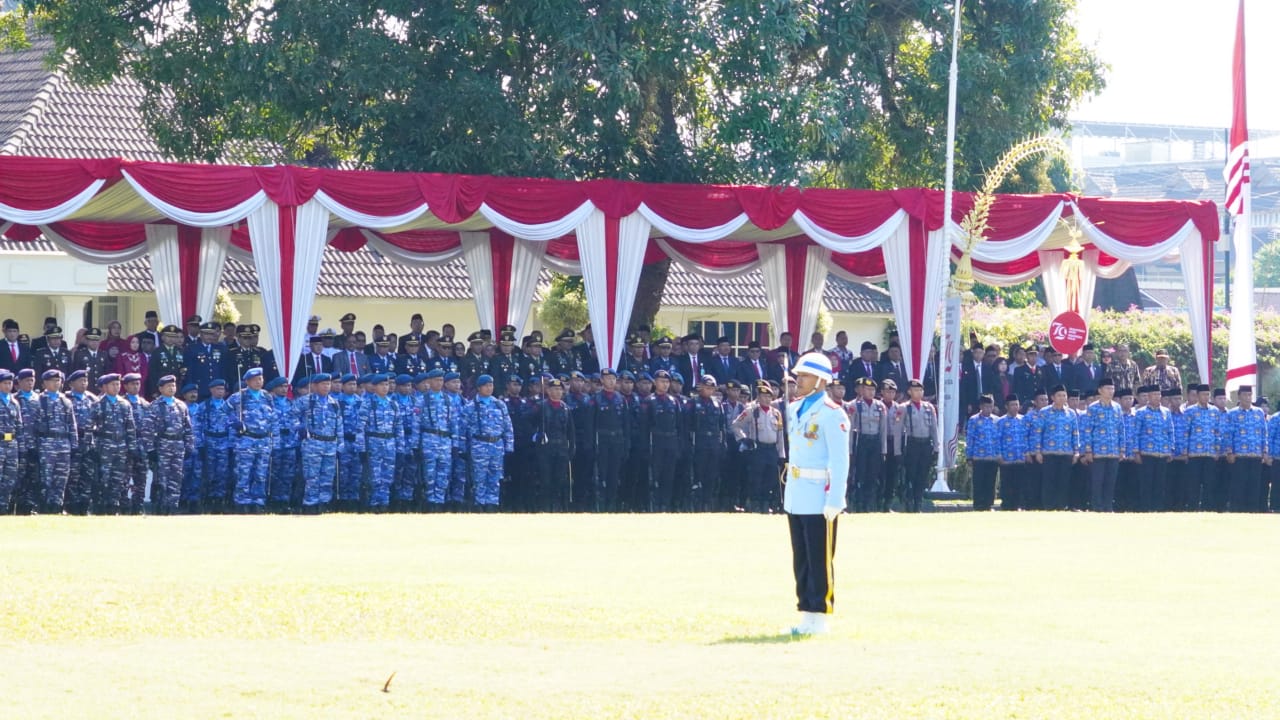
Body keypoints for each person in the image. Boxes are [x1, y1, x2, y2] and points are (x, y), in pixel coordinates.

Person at [781, 352, 849, 636]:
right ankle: (805, 613)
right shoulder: (796, 407)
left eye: (805, 375)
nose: (799, 380)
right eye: (798, 375)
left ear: (821, 380)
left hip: (820, 496)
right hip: (797, 494)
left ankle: (819, 615)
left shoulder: (832, 413)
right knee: (802, 557)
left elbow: (840, 460)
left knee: (820, 558)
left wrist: (835, 499)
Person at [462, 374, 514, 511]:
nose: (489, 388)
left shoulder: (499, 404)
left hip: (496, 445)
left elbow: (508, 427)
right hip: (479, 445)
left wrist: (509, 446)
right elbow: (463, 428)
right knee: (479, 478)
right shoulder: (471, 406)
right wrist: (462, 448)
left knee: (495, 477)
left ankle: (492, 504)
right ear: (479, 388)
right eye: (486, 385)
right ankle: (480, 504)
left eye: (491, 385)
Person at [229, 368, 277, 512]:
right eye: (256, 379)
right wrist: (235, 423)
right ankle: (242, 502)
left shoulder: (267, 397)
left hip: (263, 441)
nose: (259, 382)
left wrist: (274, 440)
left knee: (261, 474)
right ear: (247, 381)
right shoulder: (239, 397)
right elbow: (224, 412)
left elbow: (273, 418)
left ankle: (258, 502)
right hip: (246, 440)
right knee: (244, 473)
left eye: (261, 379)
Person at [146, 374, 195, 515]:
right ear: (161, 389)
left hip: (178, 445)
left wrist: (189, 446)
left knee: (176, 478)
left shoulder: (181, 405)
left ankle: (172, 506)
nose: (172, 388)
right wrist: (150, 449)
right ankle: (161, 507)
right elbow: (147, 429)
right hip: (163, 445)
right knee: (162, 479)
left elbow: (188, 428)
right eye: (168, 386)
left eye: (173, 385)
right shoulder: (155, 406)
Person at [1033, 385, 1080, 511]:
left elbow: (1075, 433)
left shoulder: (1071, 414)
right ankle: (1048, 506)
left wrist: (1076, 452)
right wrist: (1037, 451)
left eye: (1064, 395)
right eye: (1059, 395)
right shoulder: (1044, 412)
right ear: (1052, 397)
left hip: (1066, 452)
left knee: (1064, 481)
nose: (1062, 398)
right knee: (1049, 481)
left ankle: (1061, 505)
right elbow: (1038, 433)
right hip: (1049, 452)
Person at [1081, 377, 1125, 512]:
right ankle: (1097, 507)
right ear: (1100, 390)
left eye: (1112, 389)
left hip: (1113, 451)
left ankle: (1108, 506)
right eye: (1107, 388)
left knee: (1110, 482)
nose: (1110, 391)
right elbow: (1087, 430)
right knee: (1097, 482)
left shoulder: (1117, 407)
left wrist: (1122, 449)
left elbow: (1120, 428)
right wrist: (1088, 451)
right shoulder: (1093, 408)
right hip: (1097, 452)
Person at [847, 377, 888, 513]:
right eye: (867, 389)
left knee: (872, 474)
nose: (870, 392)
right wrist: (850, 450)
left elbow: (883, 429)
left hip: (874, 442)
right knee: (860, 474)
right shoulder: (854, 406)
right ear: (861, 390)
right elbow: (850, 430)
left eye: (872, 390)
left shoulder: (880, 406)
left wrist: (883, 450)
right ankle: (858, 503)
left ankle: (868, 504)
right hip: (861, 441)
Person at [898, 379, 938, 513]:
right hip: (912, 443)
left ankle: (918, 502)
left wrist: (936, 447)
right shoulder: (904, 407)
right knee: (911, 475)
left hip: (925, 444)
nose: (919, 393)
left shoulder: (929, 407)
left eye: (921, 390)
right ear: (909, 392)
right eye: (915, 390)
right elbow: (898, 430)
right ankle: (909, 502)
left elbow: (934, 429)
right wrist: (898, 450)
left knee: (922, 475)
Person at [965, 395, 1000, 510]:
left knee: (990, 483)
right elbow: (970, 439)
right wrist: (969, 457)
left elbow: (999, 439)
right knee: (979, 482)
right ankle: (978, 504)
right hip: (979, 457)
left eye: (991, 407)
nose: (988, 409)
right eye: (986, 407)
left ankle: (988, 504)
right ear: (981, 406)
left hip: (992, 457)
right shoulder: (974, 420)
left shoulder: (996, 420)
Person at [0, 370, 22, 512]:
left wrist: (21, 445)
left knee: (10, 479)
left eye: (10, 383)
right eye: (5, 383)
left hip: (12, 444)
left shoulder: (14, 402)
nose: (8, 386)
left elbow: (19, 425)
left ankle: (4, 508)